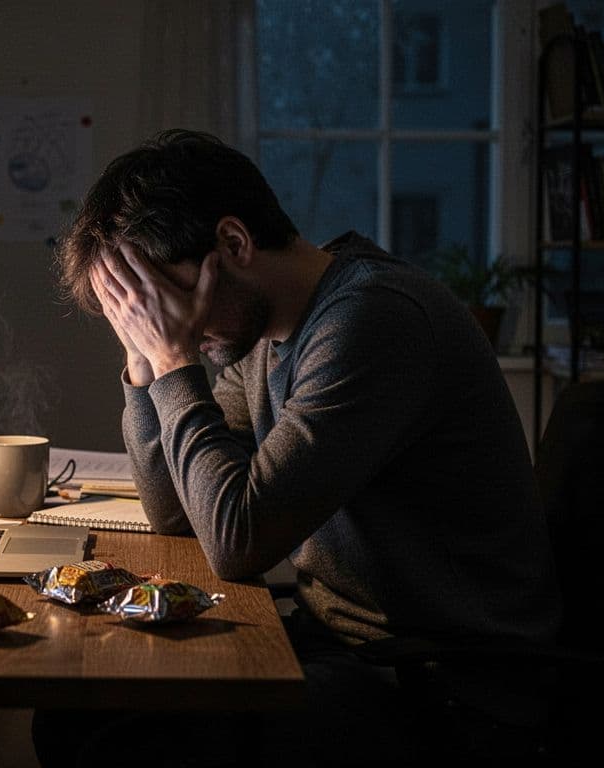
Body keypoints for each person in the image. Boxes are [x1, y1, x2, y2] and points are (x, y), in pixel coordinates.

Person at [34, 130, 562, 766]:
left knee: (121, 737)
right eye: (137, 307)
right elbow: (177, 513)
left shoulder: (371, 320)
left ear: (233, 243)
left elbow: (236, 542)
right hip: (343, 645)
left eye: (160, 298)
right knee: (73, 711)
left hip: (444, 682)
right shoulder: (262, 333)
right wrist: (145, 362)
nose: (163, 321)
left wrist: (175, 361)